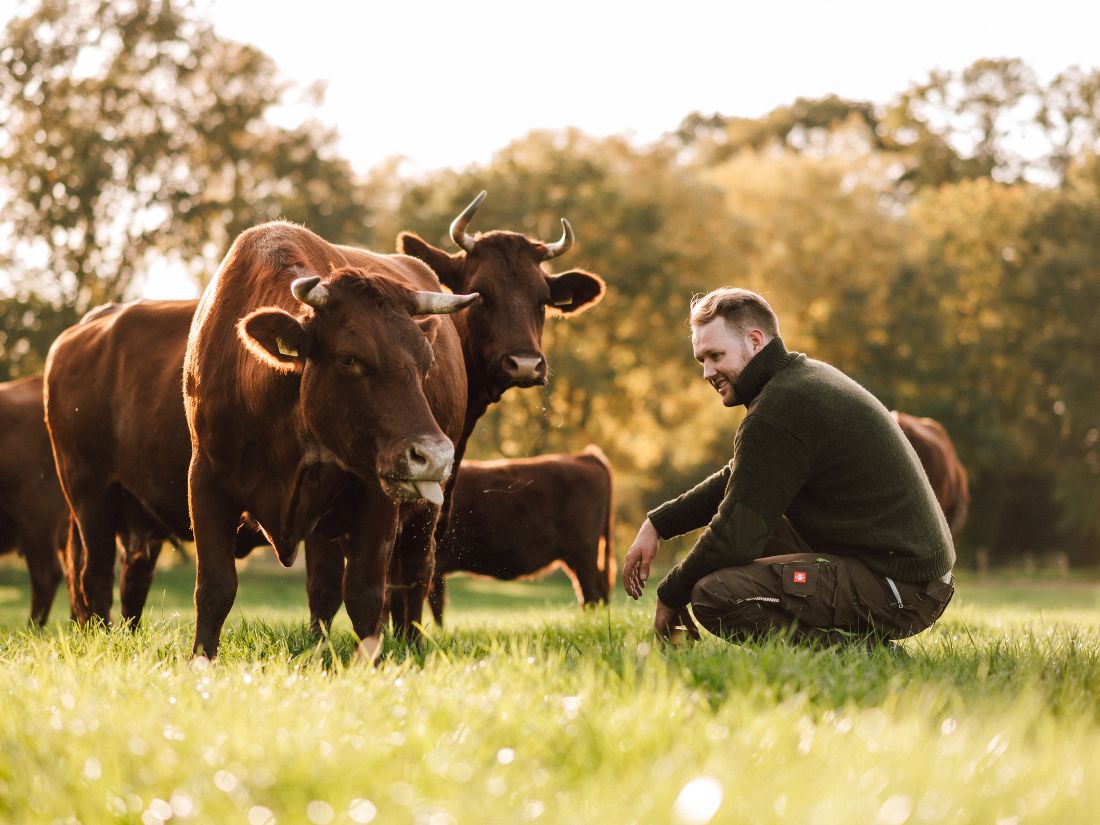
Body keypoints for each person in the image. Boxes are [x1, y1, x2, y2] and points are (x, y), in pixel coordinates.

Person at [622, 287, 955, 646]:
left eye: (715, 355)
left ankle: (863, 655)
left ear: (754, 340)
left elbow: (736, 536)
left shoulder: (781, 407)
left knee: (715, 595)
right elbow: (741, 479)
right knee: (733, 542)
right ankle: (855, 646)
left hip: (903, 587)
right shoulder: (798, 380)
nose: (707, 372)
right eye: (701, 360)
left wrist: (672, 592)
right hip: (914, 577)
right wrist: (659, 523)